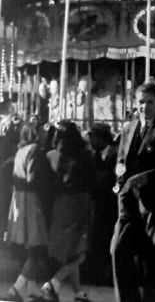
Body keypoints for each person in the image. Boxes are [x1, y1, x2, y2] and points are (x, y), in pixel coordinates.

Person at [110, 82, 155, 302]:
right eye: (141, 102)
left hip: (154, 200)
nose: (145, 107)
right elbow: (120, 158)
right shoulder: (128, 128)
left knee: (153, 258)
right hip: (128, 200)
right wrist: (119, 176)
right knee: (118, 249)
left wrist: (146, 178)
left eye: (150, 102)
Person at [39, 121, 96, 302]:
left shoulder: (50, 156)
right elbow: (92, 180)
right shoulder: (85, 155)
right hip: (79, 202)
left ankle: (78, 292)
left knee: (66, 251)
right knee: (80, 252)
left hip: (59, 204)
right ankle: (53, 283)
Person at [5, 121, 54, 302]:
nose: (44, 135)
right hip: (32, 201)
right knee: (37, 247)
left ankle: (32, 289)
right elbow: (34, 178)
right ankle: (17, 288)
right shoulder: (36, 150)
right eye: (41, 131)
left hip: (20, 199)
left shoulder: (20, 151)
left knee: (32, 247)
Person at [82, 123, 117, 287]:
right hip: (97, 204)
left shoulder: (114, 154)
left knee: (108, 238)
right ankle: (96, 273)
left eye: (93, 137)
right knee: (97, 239)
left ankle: (109, 274)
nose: (91, 140)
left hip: (110, 204)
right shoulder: (93, 155)